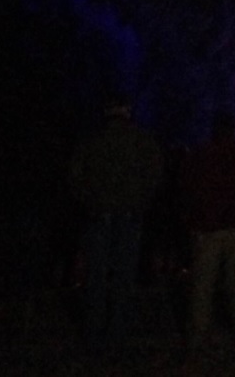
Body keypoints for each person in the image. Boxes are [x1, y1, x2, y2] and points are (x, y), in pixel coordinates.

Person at [69, 99, 164, 355]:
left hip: (99, 213)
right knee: (123, 275)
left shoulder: (92, 139)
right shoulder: (142, 140)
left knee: (96, 274)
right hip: (130, 213)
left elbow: (75, 176)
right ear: (127, 111)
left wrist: (89, 202)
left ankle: (94, 332)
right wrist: (141, 202)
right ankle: (118, 332)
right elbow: (155, 176)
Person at [181, 109, 235, 351]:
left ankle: (198, 334)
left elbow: (188, 189)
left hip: (207, 226)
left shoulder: (200, 156)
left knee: (202, 283)